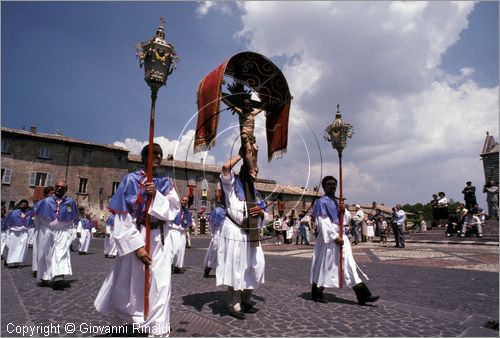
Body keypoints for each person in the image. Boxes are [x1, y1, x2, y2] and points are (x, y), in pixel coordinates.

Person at [94, 143, 180, 336]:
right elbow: (122, 218)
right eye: (152, 154)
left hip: (160, 238)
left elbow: (174, 210)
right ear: (143, 158)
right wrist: (137, 247)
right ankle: (130, 319)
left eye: (159, 154)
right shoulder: (130, 181)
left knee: (161, 283)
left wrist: (156, 195)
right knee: (131, 281)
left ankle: (158, 329)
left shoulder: (166, 183)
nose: (157, 157)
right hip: (138, 234)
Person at [310, 176, 379, 305]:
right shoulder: (321, 202)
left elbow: (346, 219)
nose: (332, 186)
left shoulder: (338, 202)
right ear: (324, 186)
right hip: (329, 239)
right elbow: (322, 222)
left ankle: (362, 294)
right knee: (327, 265)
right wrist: (334, 237)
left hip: (342, 236)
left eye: (334, 184)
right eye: (329, 184)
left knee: (348, 264)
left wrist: (343, 210)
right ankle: (316, 291)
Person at [216, 150, 268, 320]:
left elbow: (266, 215)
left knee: (256, 266)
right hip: (235, 231)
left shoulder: (255, 192)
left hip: (251, 234)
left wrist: (260, 213)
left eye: (257, 170)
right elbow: (225, 167)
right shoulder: (232, 184)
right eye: (252, 169)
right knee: (236, 268)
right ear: (244, 169)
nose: (255, 173)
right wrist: (241, 154)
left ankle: (246, 299)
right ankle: (234, 304)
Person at [33, 181, 79, 290]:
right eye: (57, 186)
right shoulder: (45, 202)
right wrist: (39, 230)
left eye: (62, 187)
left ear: (65, 190)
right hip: (47, 229)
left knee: (61, 251)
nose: (59, 189)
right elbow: (37, 217)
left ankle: (59, 276)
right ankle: (45, 277)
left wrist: (72, 231)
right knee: (44, 253)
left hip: (63, 230)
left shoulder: (71, 202)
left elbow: (74, 217)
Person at [31, 185, 55, 277]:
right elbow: (35, 217)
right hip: (41, 228)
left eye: (53, 193)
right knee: (38, 249)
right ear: (46, 194)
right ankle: (36, 268)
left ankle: (48, 268)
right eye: (50, 193)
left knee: (49, 250)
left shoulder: (55, 204)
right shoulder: (40, 203)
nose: (52, 195)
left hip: (52, 229)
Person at [4, 199, 33, 268]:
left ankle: (18, 263)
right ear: (19, 205)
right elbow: (9, 222)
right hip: (15, 232)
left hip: (24, 233)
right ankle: (8, 260)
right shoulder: (14, 212)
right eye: (22, 204)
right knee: (12, 247)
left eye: (25, 205)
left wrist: (25, 224)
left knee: (21, 248)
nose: (23, 206)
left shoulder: (29, 213)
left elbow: (31, 223)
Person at [169, 196, 193, 274]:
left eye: (186, 201)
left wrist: (192, 225)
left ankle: (178, 266)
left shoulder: (187, 212)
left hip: (183, 232)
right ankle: (169, 264)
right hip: (174, 230)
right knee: (175, 249)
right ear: (180, 200)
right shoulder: (175, 209)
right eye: (183, 200)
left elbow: (190, 221)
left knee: (181, 250)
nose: (184, 202)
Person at [203, 205, 225, 278]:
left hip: (227, 234)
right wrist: (214, 233)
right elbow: (211, 223)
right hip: (218, 233)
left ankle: (222, 272)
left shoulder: (230, 209)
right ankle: (207, 270)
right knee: (214, 252)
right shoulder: (217, 210)